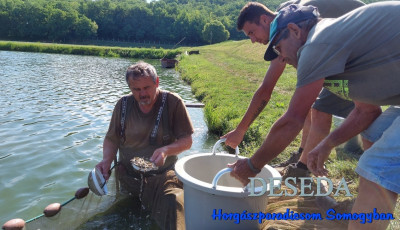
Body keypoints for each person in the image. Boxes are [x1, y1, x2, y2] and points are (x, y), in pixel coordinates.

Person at [231, 2, 400, 229]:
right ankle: (367, 211)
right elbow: (366, 111)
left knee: (377, 165)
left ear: (295, 30)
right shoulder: (326, 48)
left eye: (279, 48)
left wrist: (252, 166)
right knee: (374, 134)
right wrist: (327, 144)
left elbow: (292, 121)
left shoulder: (315, 45)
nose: (280, 57)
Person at [222, 0, 365, 178]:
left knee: (322, 109)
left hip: (359, 45)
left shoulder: (285, 32)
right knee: (310, 104)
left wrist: (242, 132)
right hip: (344, 43)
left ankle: (302, 169)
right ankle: (302, 156)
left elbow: (266, 90)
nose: (252, 40)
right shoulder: (286, 19)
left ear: (265, 20)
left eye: (252, 32)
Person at [96, 61, 194, 230]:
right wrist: (106, 160)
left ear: (157, 83)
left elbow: (187, 140)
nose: (142, 94)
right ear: (130, 88)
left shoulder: (173, 102)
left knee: (174, 204)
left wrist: (165, 150)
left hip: (164, 177)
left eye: (147, 87)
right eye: (136, 89)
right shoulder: (123, 105)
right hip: (128, 178)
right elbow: (112, 139)